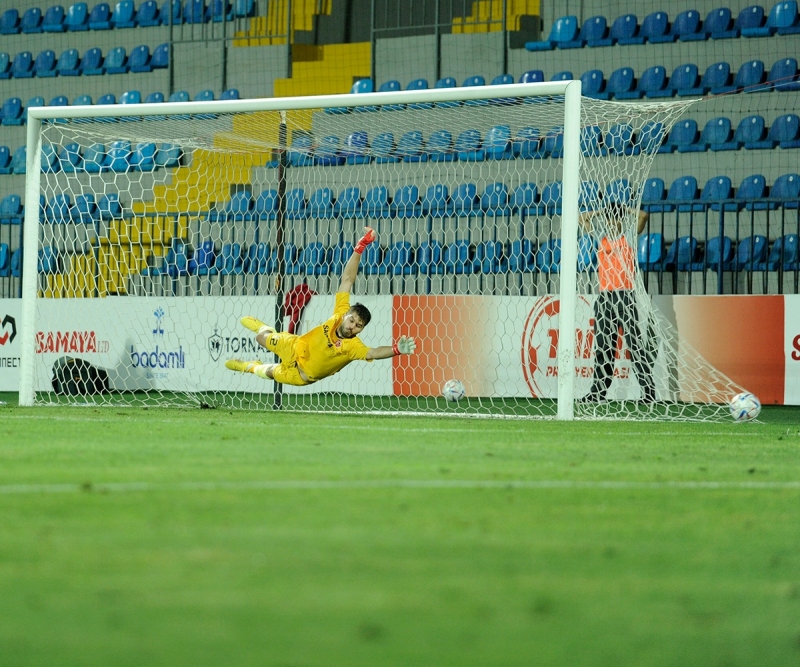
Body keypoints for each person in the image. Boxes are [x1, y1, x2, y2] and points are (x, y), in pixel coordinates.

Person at [225, 227, 416, 386]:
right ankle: (263, 328)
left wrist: (396, 349)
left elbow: (374, 352)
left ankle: (249, 367)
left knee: (269, 372)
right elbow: (347, 279)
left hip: (300, 376)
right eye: (352, 320)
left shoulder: (352, 347)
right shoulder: (340, 312)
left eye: (358, 326)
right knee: (260, 338)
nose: (352, 326)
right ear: (346, 315)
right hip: (294, 347)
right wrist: (360, 248)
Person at [579, 197, 656, 403]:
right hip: (604, 297)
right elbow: (580, 218)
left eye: (616, 219)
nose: (612, 223)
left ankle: (648, 393)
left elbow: (643, 216)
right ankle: (597, 393)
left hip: (625, 296)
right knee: (603, 346)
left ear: (621, 221)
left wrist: (624, 210)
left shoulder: (628, 237)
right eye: (610, 220)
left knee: (634, 346)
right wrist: (602, 212)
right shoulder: (601, 238)